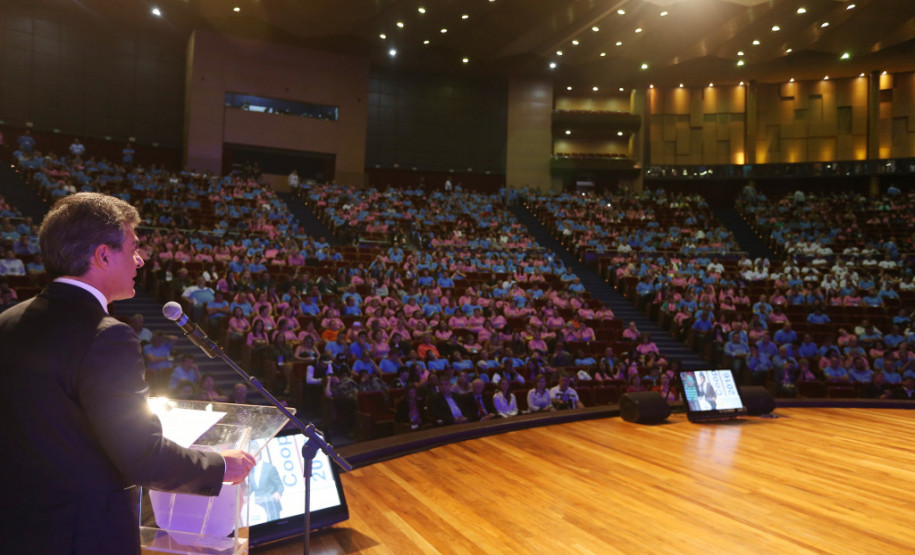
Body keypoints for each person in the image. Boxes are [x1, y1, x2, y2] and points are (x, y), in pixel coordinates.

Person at [0, 192, 255, 553]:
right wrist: (217, 466)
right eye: (133, 248)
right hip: (83, 535)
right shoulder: (107, 335)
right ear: (103, 255)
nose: (140, 259)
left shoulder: (7, 322)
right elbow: (142, 455)